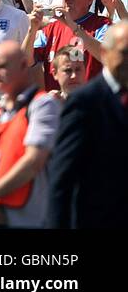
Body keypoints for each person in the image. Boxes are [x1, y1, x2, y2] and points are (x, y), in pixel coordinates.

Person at [45, 22, 128, 228]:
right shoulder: (85, 101)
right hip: (97, 219)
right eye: (125, 53)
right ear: (106, 53)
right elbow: (63, 174)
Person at [0, 41, 60, 229]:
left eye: (2, 66)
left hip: (27, 220)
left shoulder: (43, 105)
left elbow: (34, 161)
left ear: (23, 65)